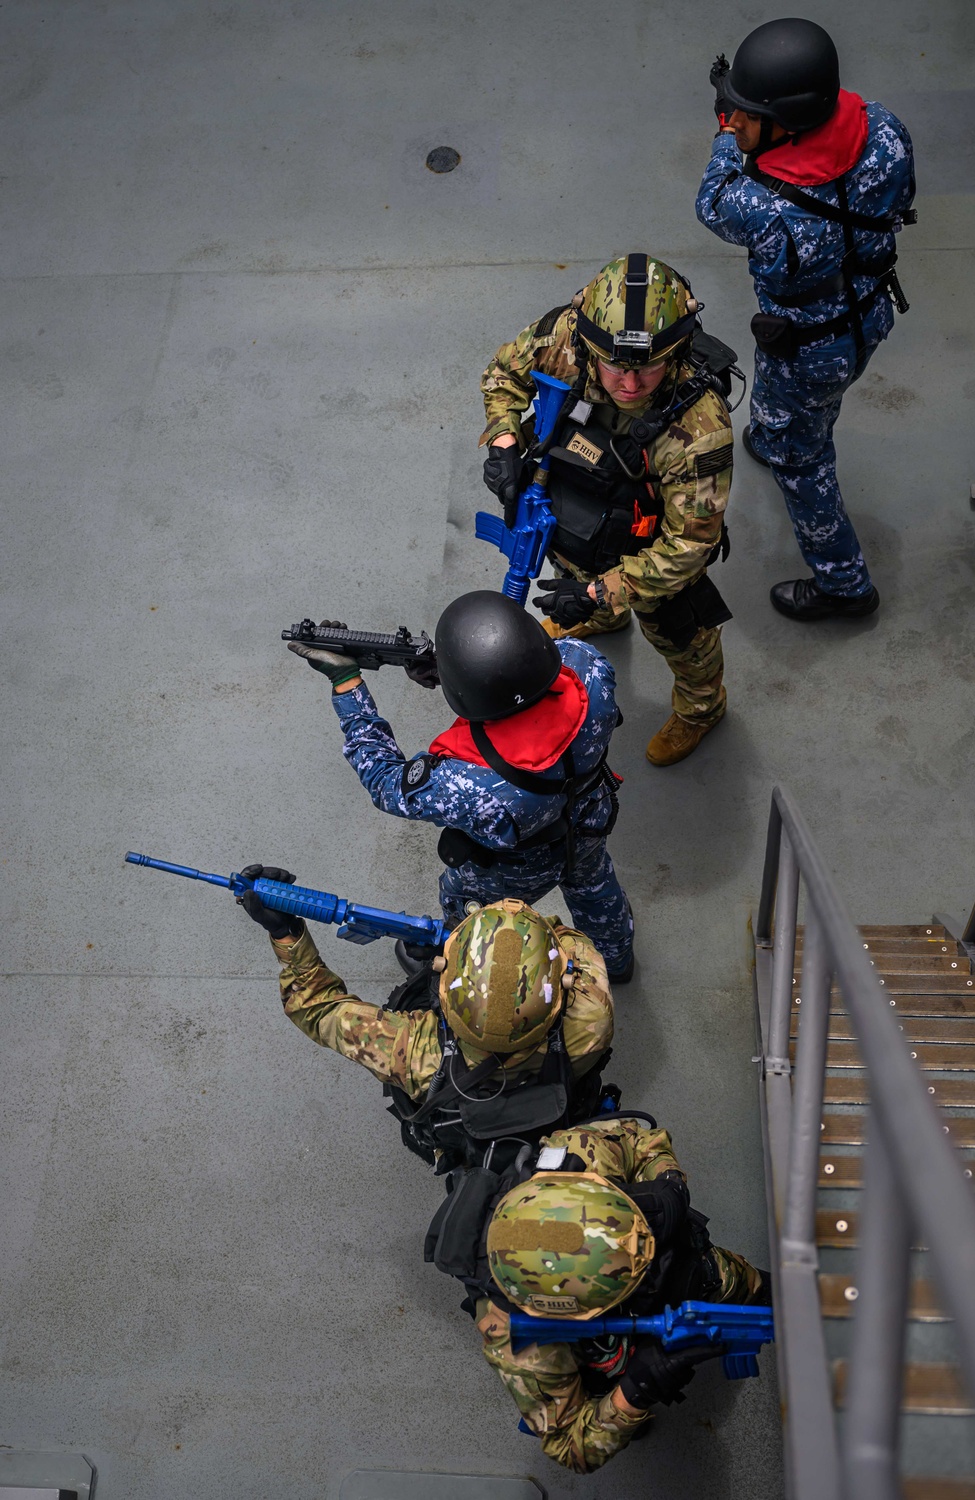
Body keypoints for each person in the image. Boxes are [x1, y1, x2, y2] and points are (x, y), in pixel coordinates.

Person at [288, 590, 634, 980]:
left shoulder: (469, 784)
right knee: (594, 885)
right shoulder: (588, 666)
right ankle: (616, 962)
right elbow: (527, 668)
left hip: (516, 869)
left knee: (466, 907)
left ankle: (456, 968)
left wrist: (346, 682)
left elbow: (383, 779)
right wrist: (452, 672)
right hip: (590, 817)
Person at [695, 18, 916, 620]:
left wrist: (724, 128)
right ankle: (773, 433)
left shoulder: (760, 210)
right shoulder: (887, 135)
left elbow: (711, 195)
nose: (733, 121)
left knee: (806, 463)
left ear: (789, 121)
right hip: (867, 314)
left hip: (809, 351)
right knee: (797, 405)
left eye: (744, 112)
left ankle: (845, 586)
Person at [480, 253, 737, 767]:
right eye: (615, 365)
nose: (630, 384)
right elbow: (503, 374)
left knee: (683, 635)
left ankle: (702, 709)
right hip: (580, 505)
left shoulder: (701, 431)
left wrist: (603, 589)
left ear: (678, 350)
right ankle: (599, 617)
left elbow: (689, 546)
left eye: (649, 367)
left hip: (651, 551)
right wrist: (504, 441)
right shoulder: (566, 337)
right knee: (572, 558)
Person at [423, 1113, 769, 1473]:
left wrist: (668, 1183)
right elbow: (572, 1448)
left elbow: (640, 1139)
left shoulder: (578, 1154)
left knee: (733, 1279)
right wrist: (633, 1393)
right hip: (600, 1340)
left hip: (676, 1255)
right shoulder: (520, 1347)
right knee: (606, 1388)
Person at [238, 874, 618, 1171]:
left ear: (445, 989)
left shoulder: (413, 1052)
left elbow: (317, 1008)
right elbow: (563, 940)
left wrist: (286, 933)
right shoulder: (591, 1017)